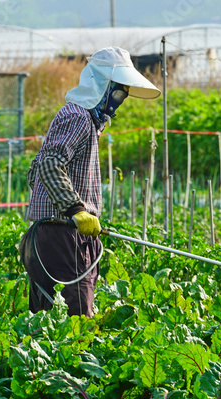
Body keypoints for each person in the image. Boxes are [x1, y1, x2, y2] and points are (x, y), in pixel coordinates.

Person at [20, 46, 160, 317]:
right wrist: (76, 210)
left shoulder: (84, 122)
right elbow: (49, 164)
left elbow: (35, 170)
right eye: (119, 91)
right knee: (77, 322)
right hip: (62, 237)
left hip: (63, 235)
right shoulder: (77, 117)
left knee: (48, 323)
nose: (120, 100)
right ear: (102, 85)